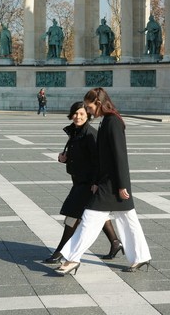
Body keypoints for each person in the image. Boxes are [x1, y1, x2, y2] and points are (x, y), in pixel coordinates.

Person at [56, 88, 151, 275]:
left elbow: (120, 156)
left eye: (89, 107)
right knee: (128, 220)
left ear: (98, 103)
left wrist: (122, 185)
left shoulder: (113, 122)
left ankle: (72, 258)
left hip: (113, 184)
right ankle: (141, 256)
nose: (89, 111)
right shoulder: (107, 121)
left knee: (90, 219)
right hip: (107, 181)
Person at [43, 102, 123, 264]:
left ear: (88, 116)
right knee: (96, 214)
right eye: (75, 113)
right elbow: (80, 157)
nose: (77, 117)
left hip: (88, 183)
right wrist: (64, 158)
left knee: (72, 215)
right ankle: (115, 242)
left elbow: (98, 162)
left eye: (81, 114)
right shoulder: (76, 131)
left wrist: (95, 182)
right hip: (79, 180)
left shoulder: (89, 134)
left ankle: (60, 252)